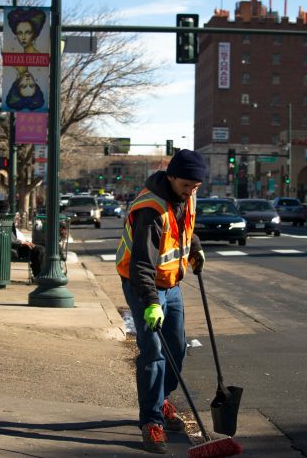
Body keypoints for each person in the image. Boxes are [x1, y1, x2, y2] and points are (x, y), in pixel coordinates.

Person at [116, 149, 207, 454]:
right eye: (187, 185)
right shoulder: (150, 209)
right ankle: (151, 422)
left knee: (177, 348)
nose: (191, 190)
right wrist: (151, 302)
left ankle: (161, 400)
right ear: (171, 177)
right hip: (143, 285)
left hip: (171, 283)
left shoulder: (187, 196)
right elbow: (142, 263)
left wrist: (194, 248)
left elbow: (185, 228)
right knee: (153, 352)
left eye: (196, 186)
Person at [0, 200, 45, 277]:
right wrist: (22, 242)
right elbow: (8, 240)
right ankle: (38, 275)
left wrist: (24, 242)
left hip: (9, 247)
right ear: (7, 210)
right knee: (39, 250)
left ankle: (39, 274)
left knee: (39, 249)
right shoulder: (2, 222)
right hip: (10, 249)